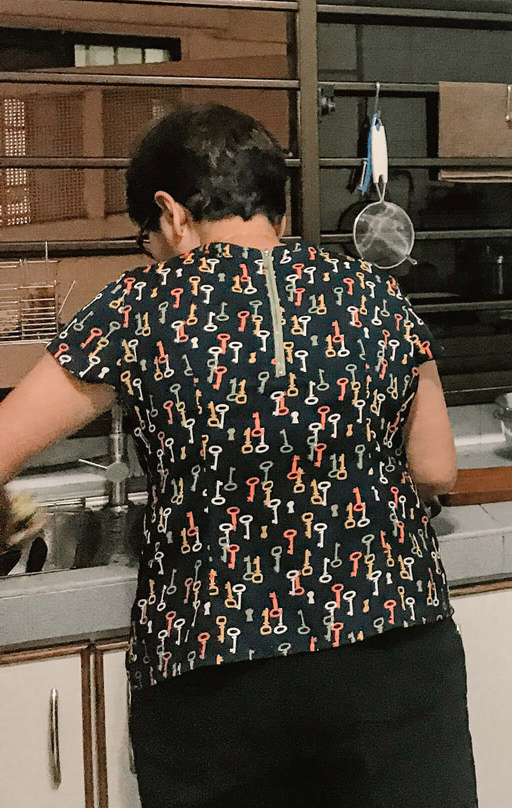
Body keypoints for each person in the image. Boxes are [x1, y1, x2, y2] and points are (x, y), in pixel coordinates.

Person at [0, 104, 478, 808]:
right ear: (276, 214)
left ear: (172, 214)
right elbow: (437, 468)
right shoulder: (375, 294)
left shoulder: (139, 305)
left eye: (147, 239)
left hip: (214, 678)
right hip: (394, 658)